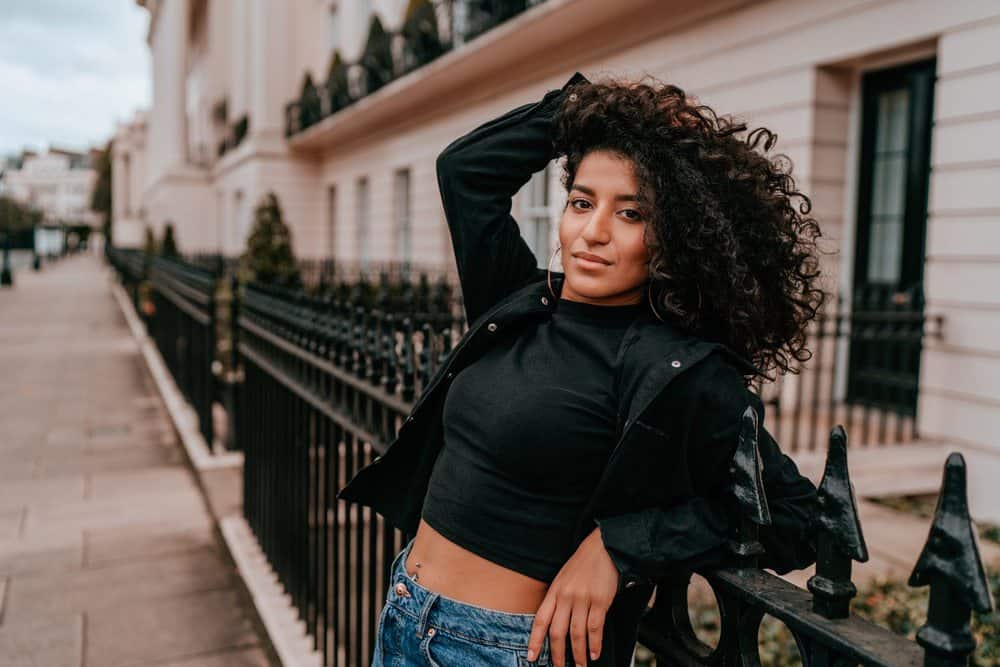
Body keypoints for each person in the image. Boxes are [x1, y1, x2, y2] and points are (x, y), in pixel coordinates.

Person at [336, 70, 824, 667]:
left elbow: (799, 519)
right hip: (406, 614)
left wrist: (621, 547)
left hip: (510, 648)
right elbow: (465, 173)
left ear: (675, 238)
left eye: (631, 214)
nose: (592, 232)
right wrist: (587, 108)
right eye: (582, 202)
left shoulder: (674, 367)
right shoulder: (518, 302)